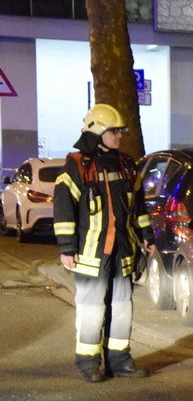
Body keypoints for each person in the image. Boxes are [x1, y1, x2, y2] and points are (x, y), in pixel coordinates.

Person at [53, 103, 156, 383]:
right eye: (115, 131)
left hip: (122, 250)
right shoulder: (77, 165)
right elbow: (63, 209)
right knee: (91, 308)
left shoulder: (126, 165)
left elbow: (139, 207)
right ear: (98, 132)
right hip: (90, 253)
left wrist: (148, 238)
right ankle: (88, 362)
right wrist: (66, 248)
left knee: (122, 306)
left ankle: (120, 360)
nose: (121, 135)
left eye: (121, 130)